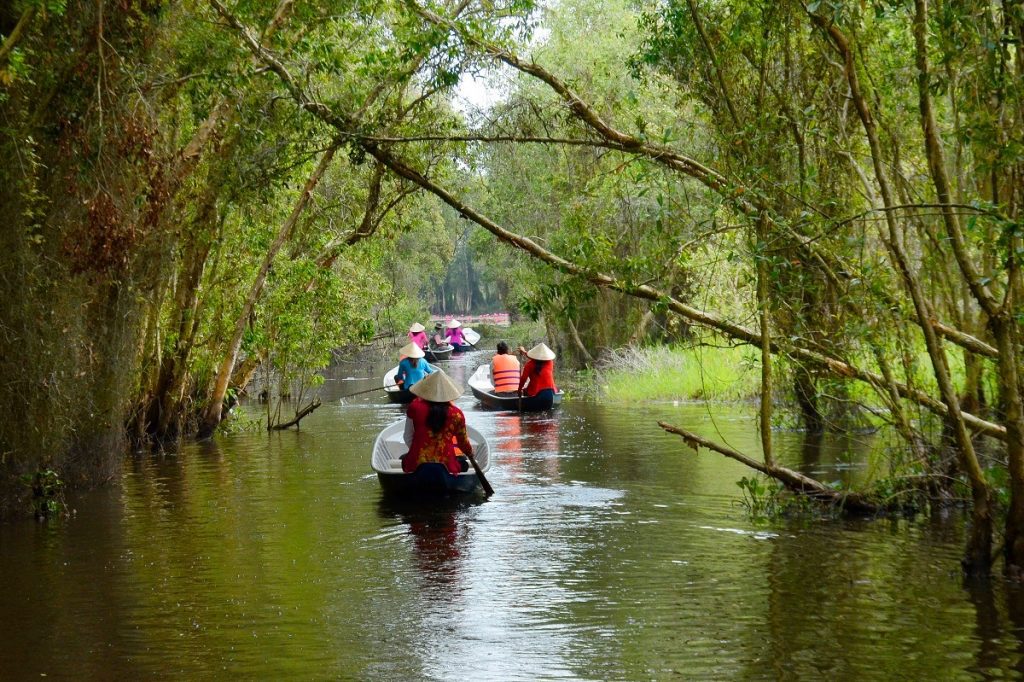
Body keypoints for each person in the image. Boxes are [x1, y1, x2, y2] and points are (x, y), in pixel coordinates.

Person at [402, 370, 473, 475]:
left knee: (403, 459)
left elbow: (407, 436)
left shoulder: (415, 407)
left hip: (417, 464)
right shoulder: (456, 414)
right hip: (447, 465)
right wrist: (470, 453)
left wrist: (415, 451)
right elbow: (462, 442)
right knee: (464, 464)